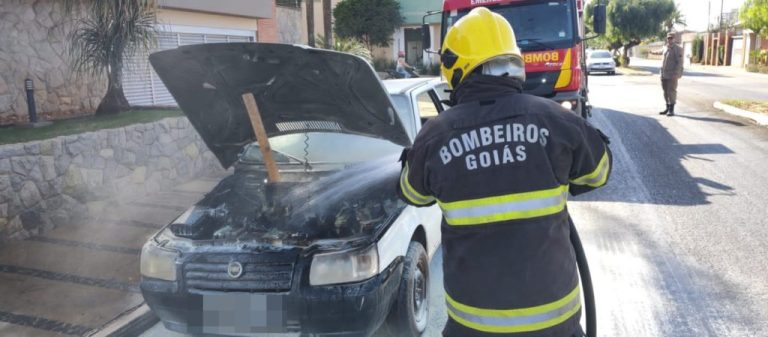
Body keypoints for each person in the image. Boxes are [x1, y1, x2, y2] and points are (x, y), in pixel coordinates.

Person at [396, 7, 612, 337]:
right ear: (514, 62)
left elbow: (412, 192)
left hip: (474, 327)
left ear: (456, 66)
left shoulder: (436, 136)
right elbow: (598, 173)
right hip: (556, 325)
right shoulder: (556, 120)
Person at [659, 32, 684, 116]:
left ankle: (671, 110)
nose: (670, 39)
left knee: (671, 91)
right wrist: (651, 51)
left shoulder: (678, 49)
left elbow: (679, 62)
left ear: (674, 39)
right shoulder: (665, 47)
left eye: (671, 38)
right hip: (663, 74)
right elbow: (660, 52)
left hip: (672, 75)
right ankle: (667, 107)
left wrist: (676, 74)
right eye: (668, 38)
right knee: (665, 91)